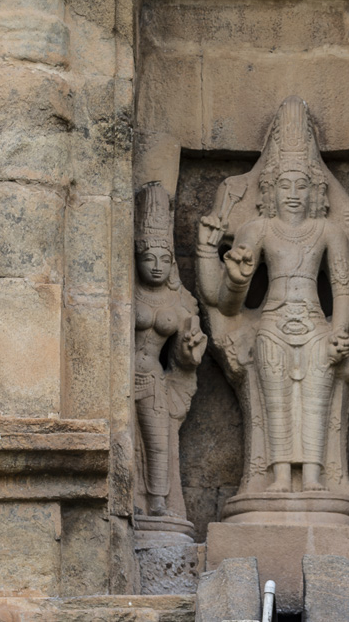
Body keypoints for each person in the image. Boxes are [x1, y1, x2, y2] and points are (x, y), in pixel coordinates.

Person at [198, 96, 349, 495]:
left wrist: (339, 331)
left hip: (317, 324)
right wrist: (234, 278)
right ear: (270, 187)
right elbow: (229, 304)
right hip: (272, 323)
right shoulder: (257, 229)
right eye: (284, 183)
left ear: (316, 190)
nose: (293, 193)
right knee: (277, 399)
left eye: (302, 184)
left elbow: (343, 287)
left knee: (316, 397)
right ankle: (279, 474)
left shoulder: (329, 232)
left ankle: (314, 475)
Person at [134, 182, 206, 517]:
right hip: (119, 376)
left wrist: (190, 349)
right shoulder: (127, 293)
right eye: (149, 258)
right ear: (137, 258)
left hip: (151, 376)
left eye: (165, 258)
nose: (157, 265)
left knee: (158, 441)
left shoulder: (178, 303)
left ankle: (157, 499)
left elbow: (183, 355)